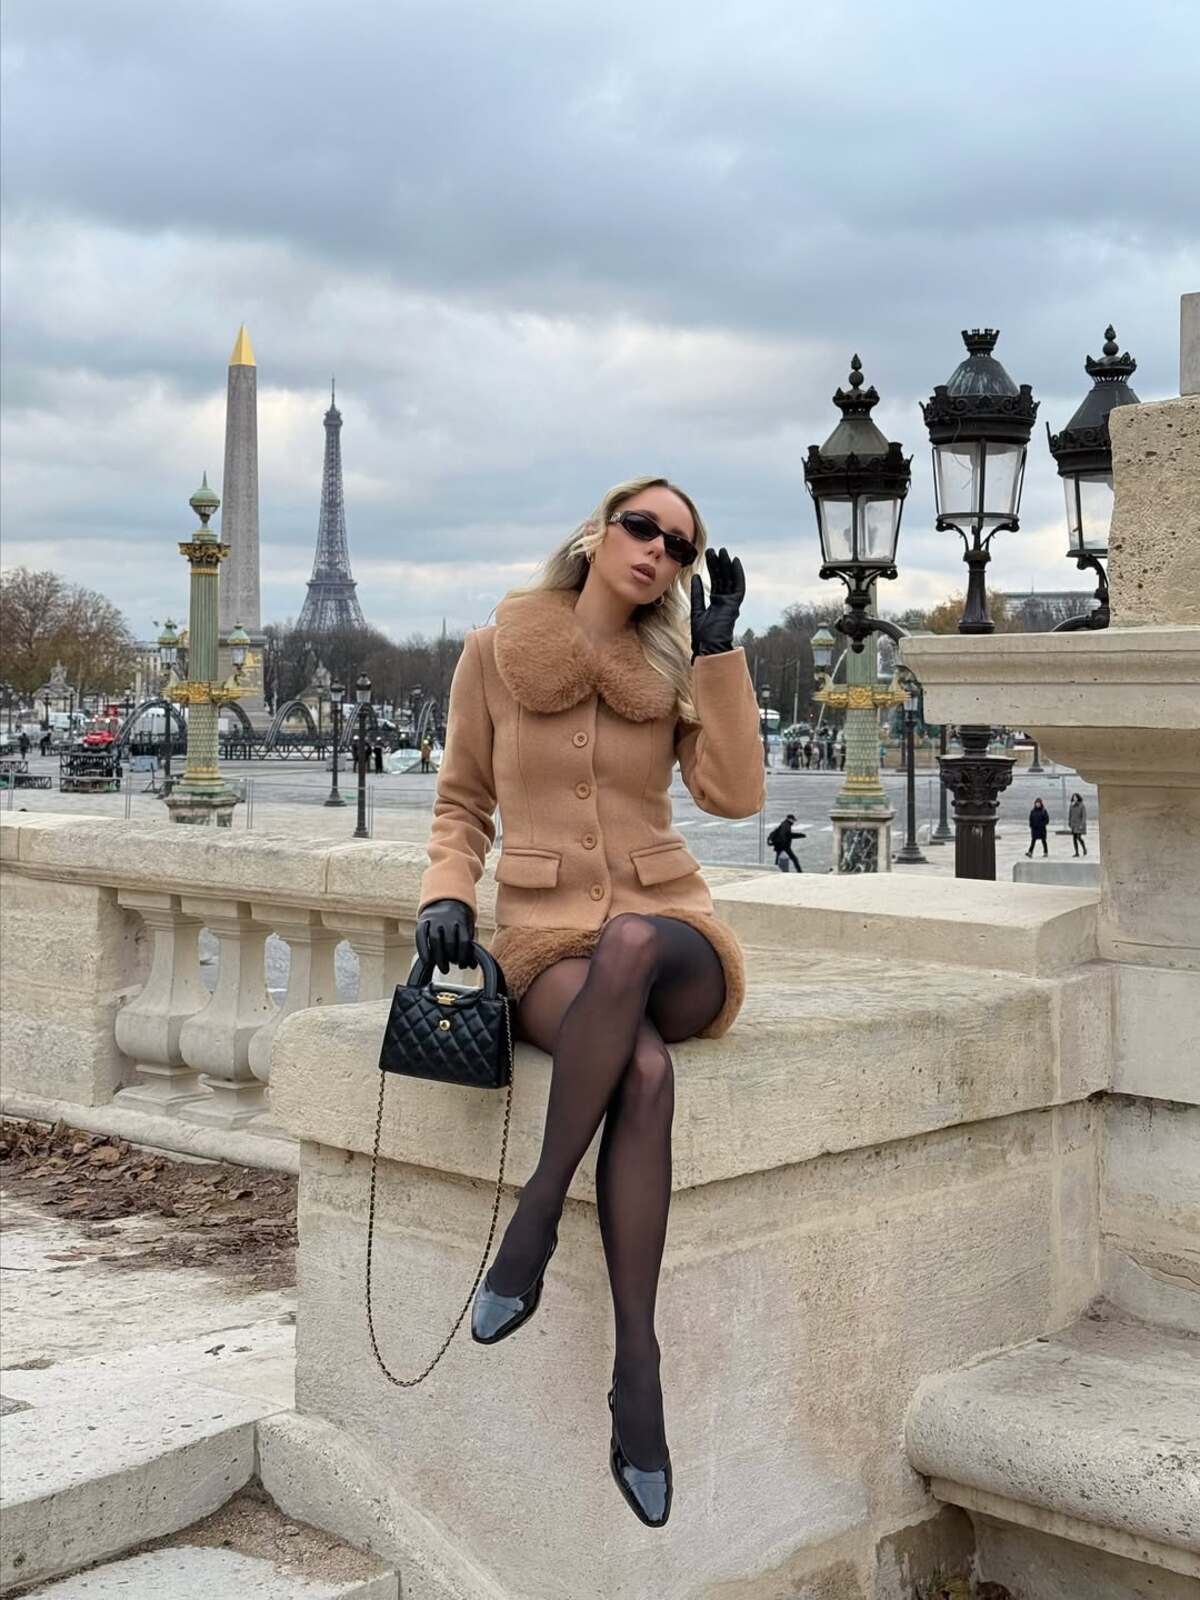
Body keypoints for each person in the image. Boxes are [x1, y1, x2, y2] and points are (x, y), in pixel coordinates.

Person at [415, 477, 761, 1529]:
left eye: (680, 545)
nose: (659, 550)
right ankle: (637, 1369)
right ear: (597, 533)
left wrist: (719, 653)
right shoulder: (495, 652)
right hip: (544, 937)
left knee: (634, 941)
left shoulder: (674, 662)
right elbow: (462, 801)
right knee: (641, 1073)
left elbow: (736, 795)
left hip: (671, 932)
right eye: (642, 527)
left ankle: (536, 1211)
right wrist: (445, 893)